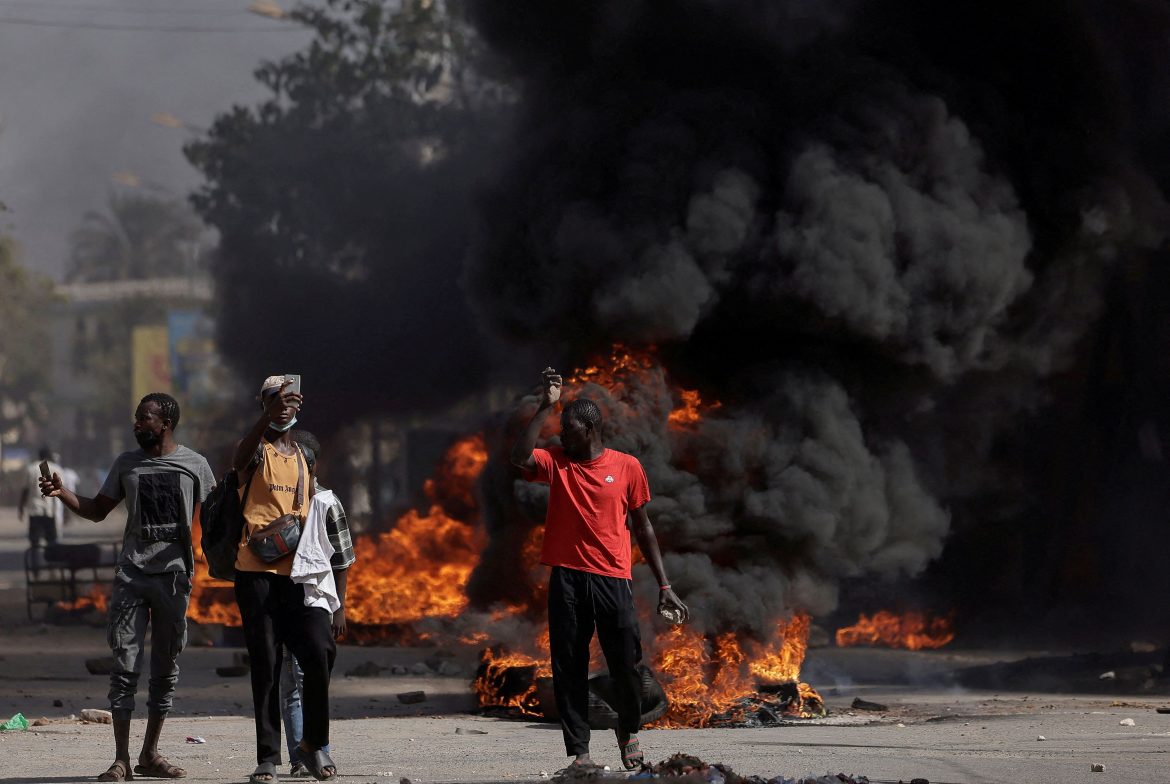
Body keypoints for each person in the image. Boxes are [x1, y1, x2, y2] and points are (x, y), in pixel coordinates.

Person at [511, 367, 689, 771]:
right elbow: (519, 456)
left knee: (625, 663)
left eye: (568, 431)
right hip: (567, 579)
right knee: (568, 667)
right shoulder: (556, 461)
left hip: (612, 580)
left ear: (589, 431)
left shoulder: (627, 467)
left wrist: (665, 585)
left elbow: (643, 525)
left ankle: (629, 732)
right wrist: (545, 406)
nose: (561, 437)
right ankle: (581, 754)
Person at [39, 393, 215, 782]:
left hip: (173, 579)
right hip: (131, 576)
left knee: (165, 668)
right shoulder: (126, 463)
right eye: (137, 419)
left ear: (165, 423)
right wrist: (61, 493)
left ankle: (149, 754)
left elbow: (217, 518)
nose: (137, 425)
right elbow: (97, 510)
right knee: (124, 666)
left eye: (144, 419)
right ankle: (121, 760)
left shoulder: (195, 465)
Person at [233, 377, 337, 783]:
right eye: (273, 401)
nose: (282, 407)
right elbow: (239, 458)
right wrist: (266, 419)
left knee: (320, 650)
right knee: (267, 664)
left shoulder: (305, 457)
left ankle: (313, 744)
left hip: (298, 574)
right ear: (262, 404)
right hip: (255, 572)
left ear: (299, 405)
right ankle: (268, 757)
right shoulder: (257, 450)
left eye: (288, 400)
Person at [280, 429, 354, 778]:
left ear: (314, 464)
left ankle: (316, 747)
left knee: (311, 673)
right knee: (289, 680)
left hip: (317, 600)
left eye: (304, 462)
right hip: (280, 598)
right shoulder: (274, 500)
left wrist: (339, 607)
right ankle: (300, 756)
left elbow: (342, 558)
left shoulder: (327, 502)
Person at [19, 446, 64, 569]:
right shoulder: (56, 468)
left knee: (35, 543)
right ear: (50, 455)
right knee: (52, 542)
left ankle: (35, 569)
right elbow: (62, 491)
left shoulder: (31, 468)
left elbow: (25, 490)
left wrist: (21, 508)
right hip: (50, 511)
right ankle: (52, 568)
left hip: (35, 510)